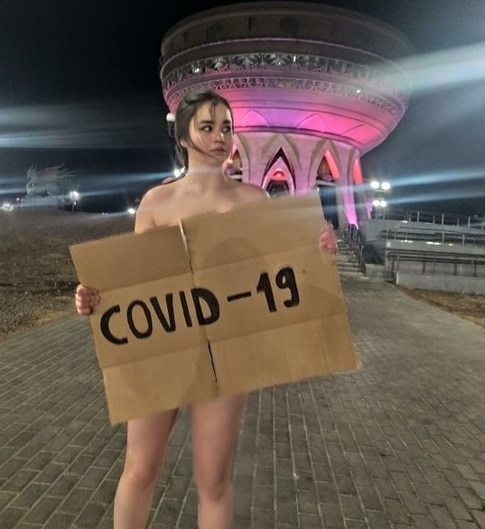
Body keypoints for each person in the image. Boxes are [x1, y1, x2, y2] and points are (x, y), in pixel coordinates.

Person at [75, 88, 338, 529]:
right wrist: (93, 296)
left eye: (227, 128)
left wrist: (318, 252)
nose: (220, 137)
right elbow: (134, 281)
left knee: (214, 480)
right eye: (207, 127)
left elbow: (278, 273)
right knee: (140, 469)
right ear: (183, 136)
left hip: (228, 351)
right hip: (161, 348)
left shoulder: (253, 200)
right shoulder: (156, 203)